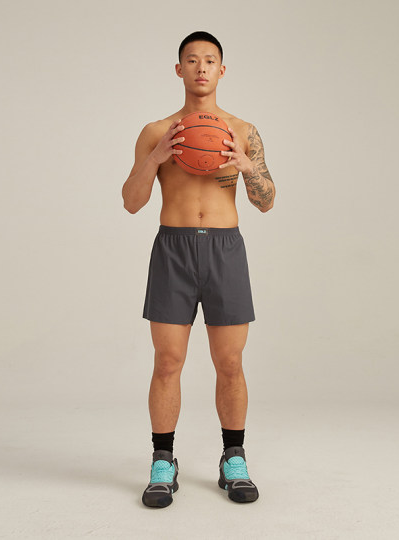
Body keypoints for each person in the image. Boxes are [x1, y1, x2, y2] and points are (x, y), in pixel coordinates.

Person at [122, 31, 275, 508]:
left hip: (225, 249)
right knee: (168, 361)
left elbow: (267, 201)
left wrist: (247, 166)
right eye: (192, 60)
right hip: (174, 247)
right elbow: (131, 202)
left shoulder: (244, 130)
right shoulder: (156, 131)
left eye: (210, 60)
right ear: (179, 69)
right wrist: (156, 157)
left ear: (222, 70)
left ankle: (234, 459)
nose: (201, 68)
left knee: (230, 362)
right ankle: (162, 462)